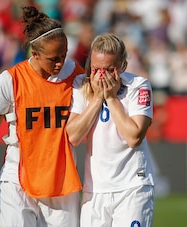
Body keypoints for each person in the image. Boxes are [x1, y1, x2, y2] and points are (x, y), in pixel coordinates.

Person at [0, 6, 84, 227]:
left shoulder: (76, 74)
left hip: (62, 180)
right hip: (17, 178)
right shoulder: (8, 81)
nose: (60, 63)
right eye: (53, 59)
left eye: (64, 54)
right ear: (35, 54)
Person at [66, 33, 155, 227]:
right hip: (95, 190)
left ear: (122, 66)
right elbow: (73, 136)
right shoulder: (81, 85)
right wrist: (98, 98)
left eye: (109, 69)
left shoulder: (138, 86)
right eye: (96, 69)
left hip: (132, 186)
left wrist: (112, 98)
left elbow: (134, 137)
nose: (101, 75)